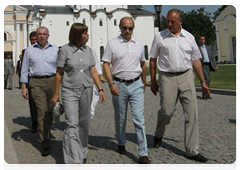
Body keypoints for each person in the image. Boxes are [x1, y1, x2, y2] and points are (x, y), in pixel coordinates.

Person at [149, 9, 210, 163]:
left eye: (173, 21)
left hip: (186, 76)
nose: (169, 24)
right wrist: (153, 81)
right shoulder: (160, 36)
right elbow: (152, 59)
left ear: (180, 21)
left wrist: (203, 82)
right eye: (168, 21)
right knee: (167, 111)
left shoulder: (189, 37)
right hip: (167, 77)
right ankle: (159, 132)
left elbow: (196, 61)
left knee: (192, 113)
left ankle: (192, 150)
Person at [52, 23, 105, 170]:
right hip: (69, 91)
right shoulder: (64, 50)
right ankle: (73, 160)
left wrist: (100, 89)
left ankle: (81, 152)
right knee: (71, 123)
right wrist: (56, 94)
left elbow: (93, 70)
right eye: (85, 33)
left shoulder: (89, 50)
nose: (88, 35)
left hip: (86, 90)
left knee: (84, 123)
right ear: (78, 34)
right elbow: (59, 73)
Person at [102, 17, 150, 168]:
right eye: (124, 28)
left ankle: (143, 153)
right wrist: (111, 84)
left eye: (130, 28)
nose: (127, 31)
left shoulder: (139, 44)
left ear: (133, 27)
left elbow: (143, 64)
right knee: (120, 117)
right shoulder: (112, 43)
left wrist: (143, 81)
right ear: (120, 27)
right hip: (119, 84)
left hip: (136, 84)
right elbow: (106, 64)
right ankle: (121, 142)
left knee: (138, 118)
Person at [20, 26, 58, 157]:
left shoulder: (55, 49)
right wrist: (24, 87)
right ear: (36, 35)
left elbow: (60, 69)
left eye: (44, 34)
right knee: (41, 112)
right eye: (39, 34)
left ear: (48, 36)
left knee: (50, 110)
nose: (41, 36)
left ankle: (47, 130)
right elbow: (24, 70)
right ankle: (45, 142)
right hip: (36, 83)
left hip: (52, 81)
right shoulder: (29, 51)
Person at [21, 31, 38, 133]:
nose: (34, 41)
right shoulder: (26, 51)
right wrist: (23, 85)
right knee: (32, 103)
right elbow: (23, 69)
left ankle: (43, 122)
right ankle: (35, 122)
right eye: (32, 40)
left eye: (35, 39)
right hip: (31, 81)